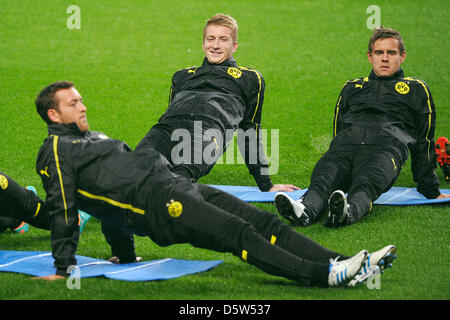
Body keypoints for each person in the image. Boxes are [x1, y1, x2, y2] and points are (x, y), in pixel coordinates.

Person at [28, 80, 396, 286]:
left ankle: (343, 263)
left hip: (173, 184)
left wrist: (123, 255)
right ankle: (323, 276)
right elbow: (66, 207)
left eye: (81, 99)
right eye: (74, 103)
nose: (83, 106)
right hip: (159, 207)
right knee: (236, 233)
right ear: (53, 113)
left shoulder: (92, 138)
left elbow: (107, 200)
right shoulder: (56, 151)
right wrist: (63, 268)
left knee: (263, 221)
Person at [274, 27, 450, 228]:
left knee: (366, 184)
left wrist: (430, 188)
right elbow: (338, 130)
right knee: (324, 180)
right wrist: (336, 153)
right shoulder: (352, 87)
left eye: (391, 53)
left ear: (402, 56)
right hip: (345, 147)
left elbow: (424, 140)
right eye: (379, 53)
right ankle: (303, 210)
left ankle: (346, 212)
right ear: (370, 56)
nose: (385, 58)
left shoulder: (416, 89)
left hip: (386, 149)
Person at [135, 14, 298, 193]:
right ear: (203, 43)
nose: (215, 45)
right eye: (210, 39)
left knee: (179, 181)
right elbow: (170, 111)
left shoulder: (250, 78)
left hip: (207, 131)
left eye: (223, 39)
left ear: (234, 46)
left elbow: (249, 130)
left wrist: (266, 184)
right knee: (135, 168)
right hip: (167, 128)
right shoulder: (182, 75)